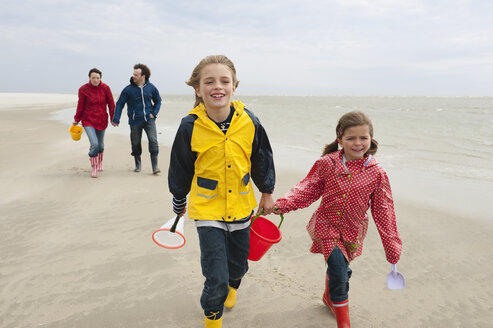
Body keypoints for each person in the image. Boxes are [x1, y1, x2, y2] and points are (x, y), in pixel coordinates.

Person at [168, 55, 275, 328]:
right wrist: (179, 200)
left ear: (234, 86)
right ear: (198, 89)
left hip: (241, 207)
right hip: (207, 210)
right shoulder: (190, 126)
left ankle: (234, 285)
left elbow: (261, 158)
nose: (218, 86)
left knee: (238, 266)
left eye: (224, 81)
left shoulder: (249, 121)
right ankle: (212, 319)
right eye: (209, 81)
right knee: (215, 275)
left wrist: (267, 192)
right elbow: (180, 167)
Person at [274, 111, 402, 328]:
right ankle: (344, 323)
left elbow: (384, 210)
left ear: (371, 139)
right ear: (340, 139)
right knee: (338, 271)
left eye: (363, 138)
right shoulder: (327, 163)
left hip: (353, 230)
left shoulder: (377, 173)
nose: (358, 143)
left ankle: (328, 296)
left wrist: (392, 245)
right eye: (351, 138)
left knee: (341, 270)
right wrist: (282, 204)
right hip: (326, 225)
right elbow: (307, 188)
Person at [111, 63, 162, 174]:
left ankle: (155, 166)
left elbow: (158, 101)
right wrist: (116, 119)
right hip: (135, 121)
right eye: (133, 74)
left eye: (136, 74)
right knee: (135, 143)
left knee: (153, 141)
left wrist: (154, 113)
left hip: (149, 119)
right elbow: (120, 104)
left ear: (143, 76)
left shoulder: (151, 88)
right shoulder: (128, 90)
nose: (133, 76)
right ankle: (138, 164)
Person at [73, 68, 115, 178]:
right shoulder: (83, 89)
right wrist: (76, 119)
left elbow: (111, 104)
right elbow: (80, 105)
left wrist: (113, 118)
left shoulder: (106, 88)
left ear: (100, 78)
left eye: (97, 78)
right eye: (93, 78)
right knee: (94, 144)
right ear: (89, 78)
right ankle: (94, 167)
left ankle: (100, 162)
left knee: (100, 145)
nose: (95, 80)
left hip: (101, 120)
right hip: (88, 120)